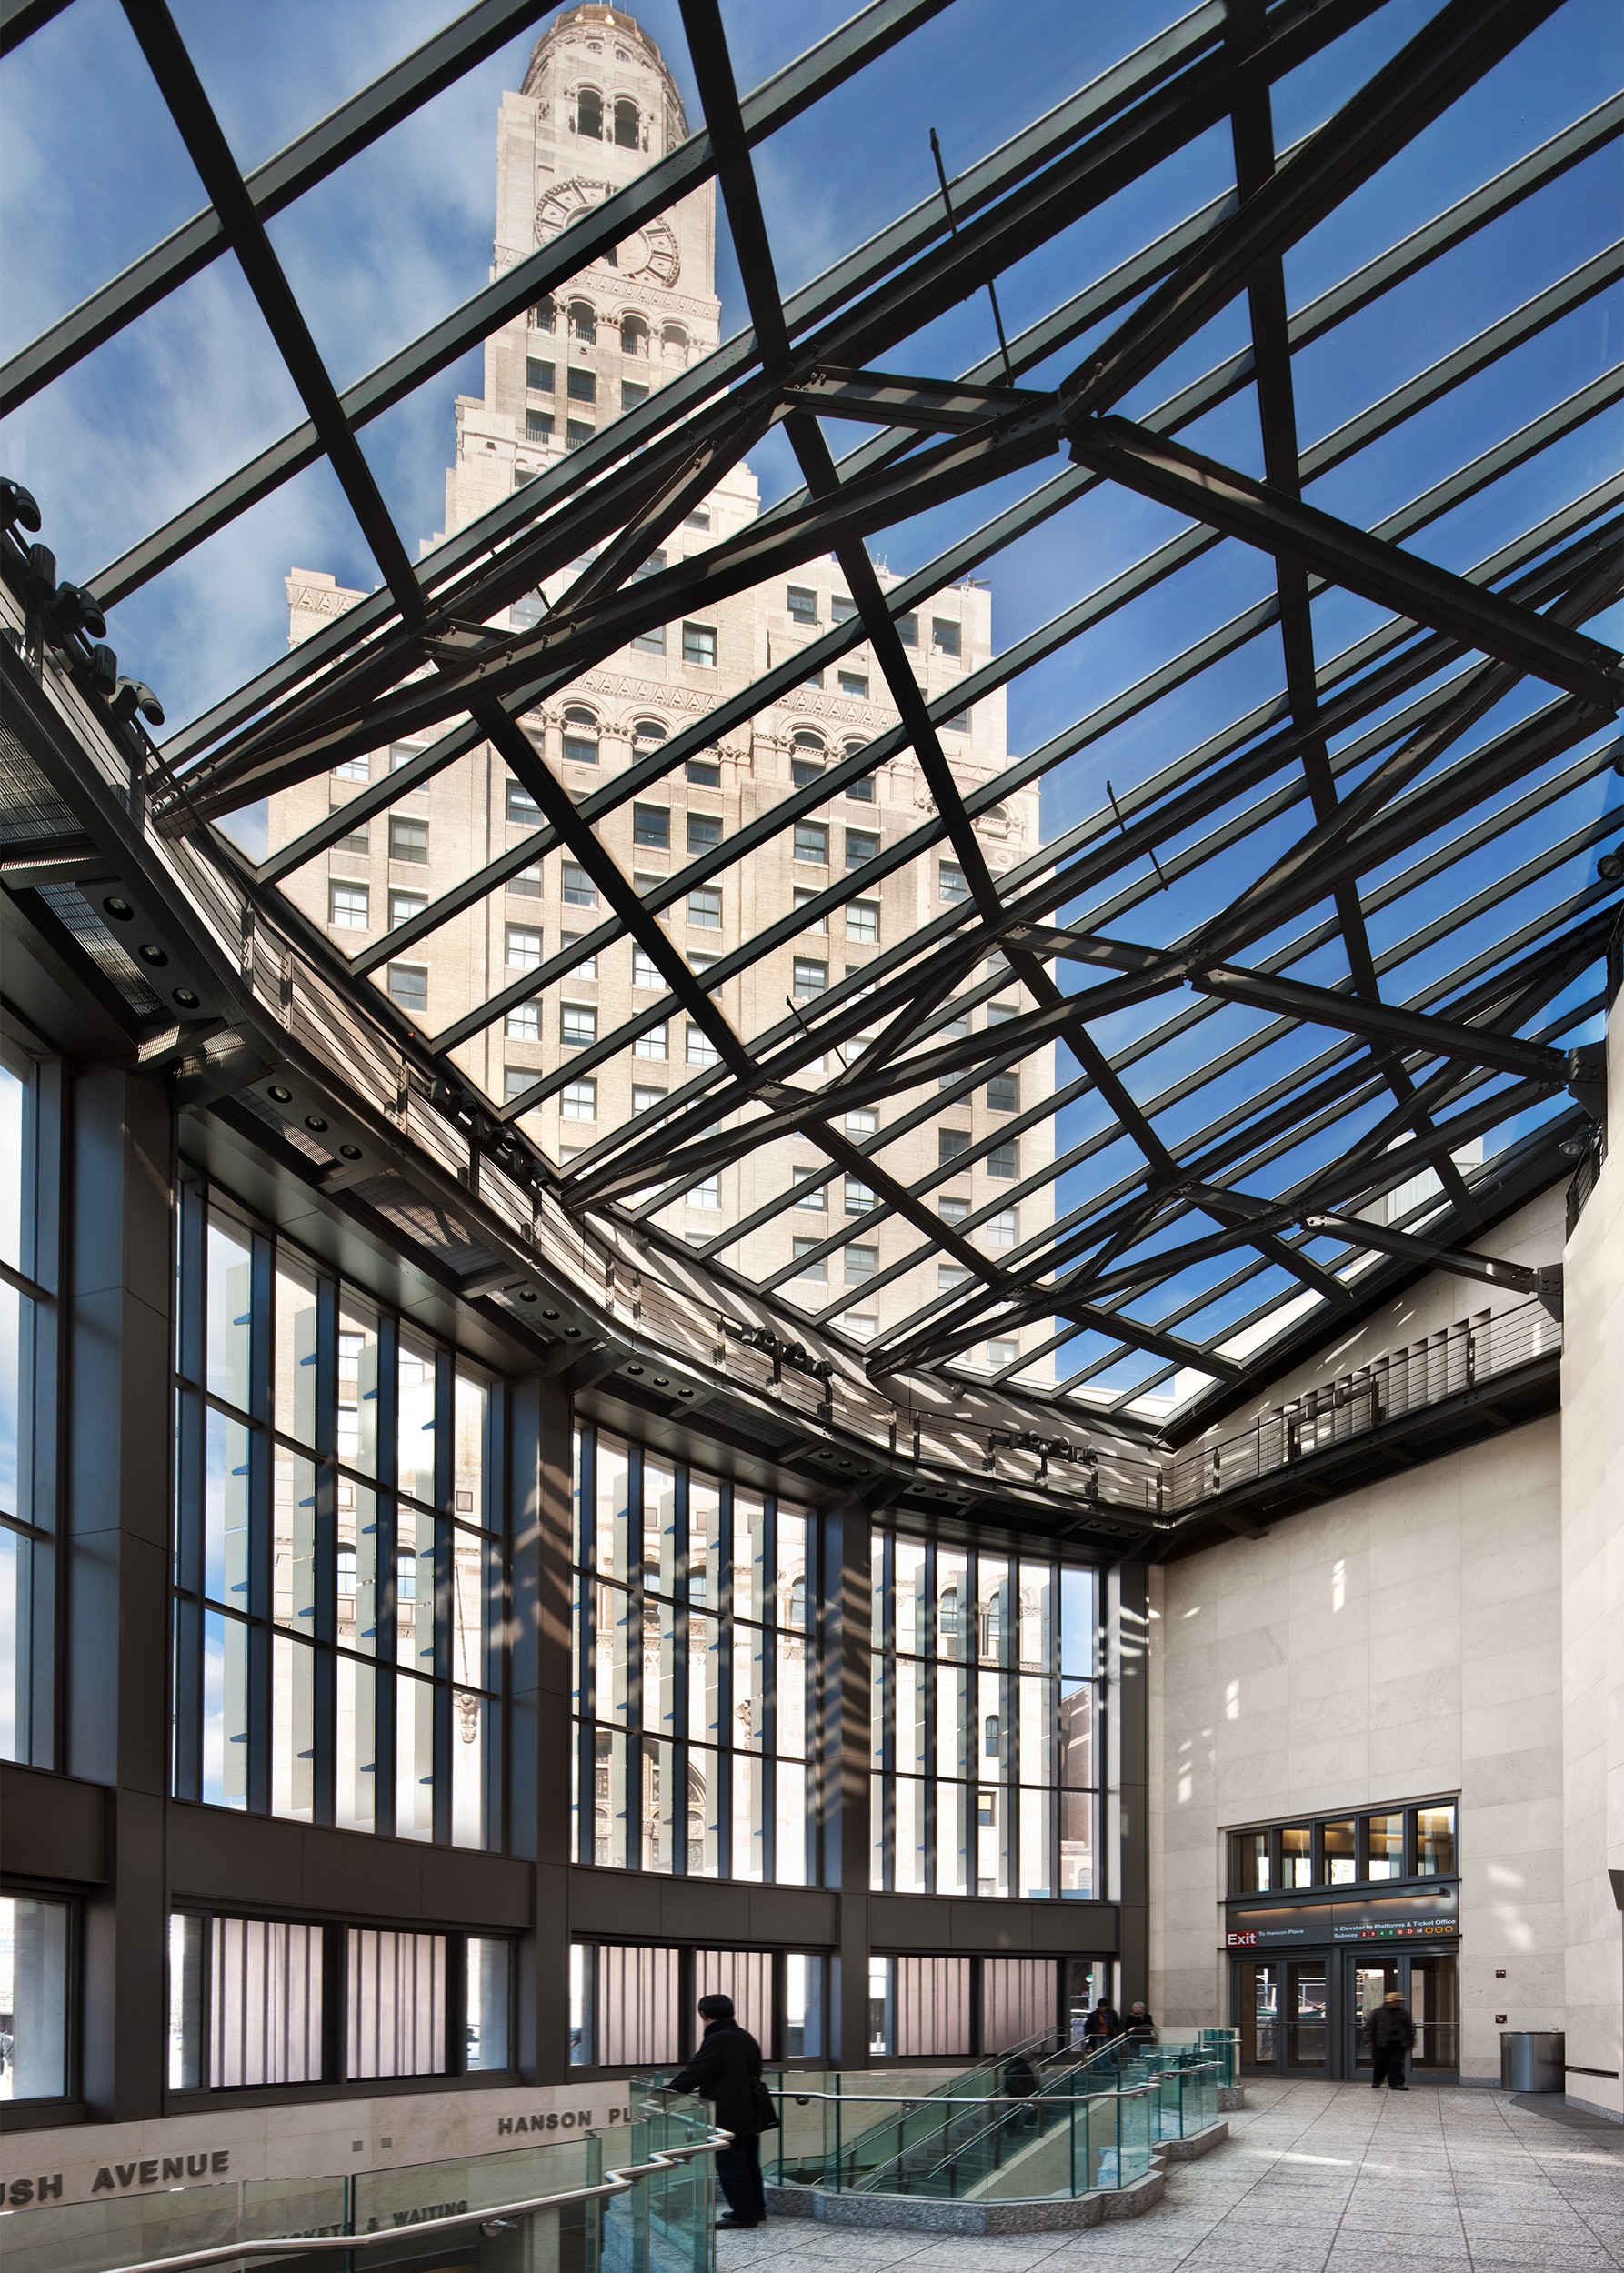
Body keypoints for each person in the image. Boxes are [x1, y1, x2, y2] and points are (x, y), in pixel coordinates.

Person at [670, 1992, 771, 2229]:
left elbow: (695, 2072)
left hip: (728, 2113)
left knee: (731, 2164)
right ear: (732, 2012)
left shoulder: (719, 2039)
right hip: (750, 2110)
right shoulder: (745, 2036)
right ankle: (755, 2209)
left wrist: (661, 2096)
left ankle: (743, 2215)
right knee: (748, 2162)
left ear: (702, 2015)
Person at [1367, 1990, 1415, 2089]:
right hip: (1380, 2043)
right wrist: (1369, 2040)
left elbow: (1409, 2029)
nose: (1397, 2003)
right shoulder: (1377, 2013)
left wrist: (1410, 2042)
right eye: (1395, 2001)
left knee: (1396, 2063)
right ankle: (1377, 2080)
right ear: (1389, 2002)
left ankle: (1396, 2083)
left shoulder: (1403, 2014)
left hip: (1398, 2043)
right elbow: (1369, 2027)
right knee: (1380, 2062)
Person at [1002, 2049, 1040, 2130]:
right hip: (1025, 2092)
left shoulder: (1012, 2066)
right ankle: (1029, 2122)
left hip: (1013, 2092)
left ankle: (1009, 2127)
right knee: (1033, 2107)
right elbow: (1033, 2079)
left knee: (1013, 2111)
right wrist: (1036, 2089)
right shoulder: (1026, 2067)